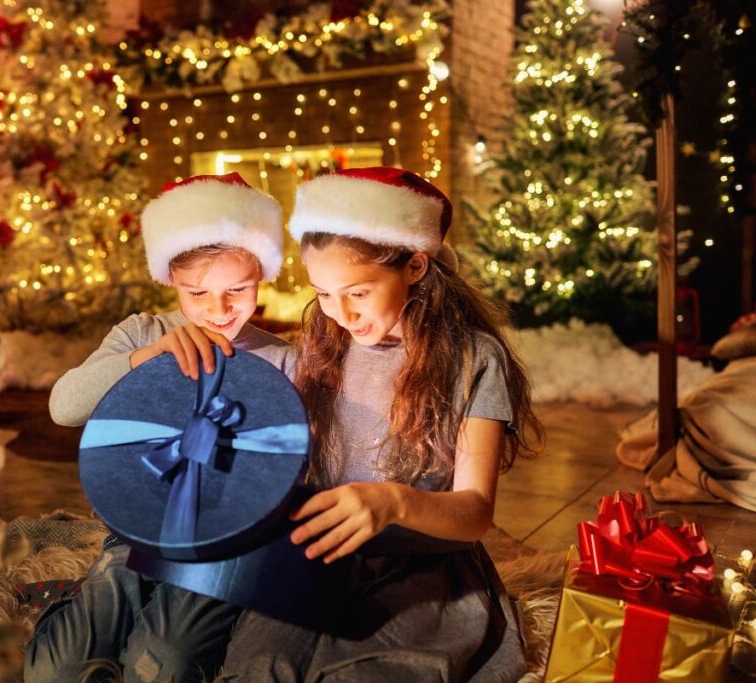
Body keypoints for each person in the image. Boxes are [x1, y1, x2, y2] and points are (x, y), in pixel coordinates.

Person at [221, 167, 543, 682]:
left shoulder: (472, 359)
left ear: (415, 265)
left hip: (423, 568)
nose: (341, 314)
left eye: (358, 292)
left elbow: (476, 512)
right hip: (319, 556)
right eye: (323, 293)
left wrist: (392, 501)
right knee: (258, 667)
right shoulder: (321, 351)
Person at [27, 173, 292, 683]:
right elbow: (64, 406)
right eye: (198, 293)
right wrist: (145, 359)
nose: (219, 310)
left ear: (262, 275)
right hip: (134, 533)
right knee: (54, 671)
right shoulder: (142, 333)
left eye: (238, 290)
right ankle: (76, 609)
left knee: (163, 663)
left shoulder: (280, 360)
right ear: (171, 278)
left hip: (225, 545)